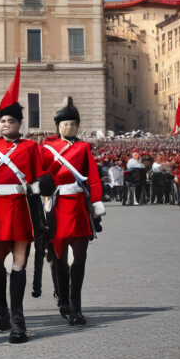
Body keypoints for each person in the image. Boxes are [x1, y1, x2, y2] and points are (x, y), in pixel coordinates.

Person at [0, 75, 53, 343]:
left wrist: (39, 186)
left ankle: (18, 320)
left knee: (20, 264)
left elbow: (41, 175)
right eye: (2, 121)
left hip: (21, 208)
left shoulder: (31, 146)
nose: (6, 125)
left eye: (11, 121)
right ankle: (2, 311)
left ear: (20, 124)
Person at [40, 97, 105, 326]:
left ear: (78, 127)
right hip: (56, 204)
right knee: (59, 257)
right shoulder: (47, 148)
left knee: (79, 258)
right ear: (58, 126)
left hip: (78, 205)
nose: (68, 128)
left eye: (73, 125)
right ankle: (64, 301)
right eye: (65, 124)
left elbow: (94, 179)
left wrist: (96, 202)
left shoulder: (84, 147)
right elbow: (42, 175)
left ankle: (76, 306)